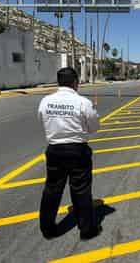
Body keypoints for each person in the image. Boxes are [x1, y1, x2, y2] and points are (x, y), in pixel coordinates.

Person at [38, 67, 101, 241]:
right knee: (81, 190)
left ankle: (48, 229)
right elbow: (94, 127)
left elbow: (42, 120)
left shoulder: (46, 101)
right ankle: (86, 230)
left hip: (55, 149)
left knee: (52, 189)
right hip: (77, 150)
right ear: (75, 83)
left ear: (59, 82)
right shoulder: (82, 102)